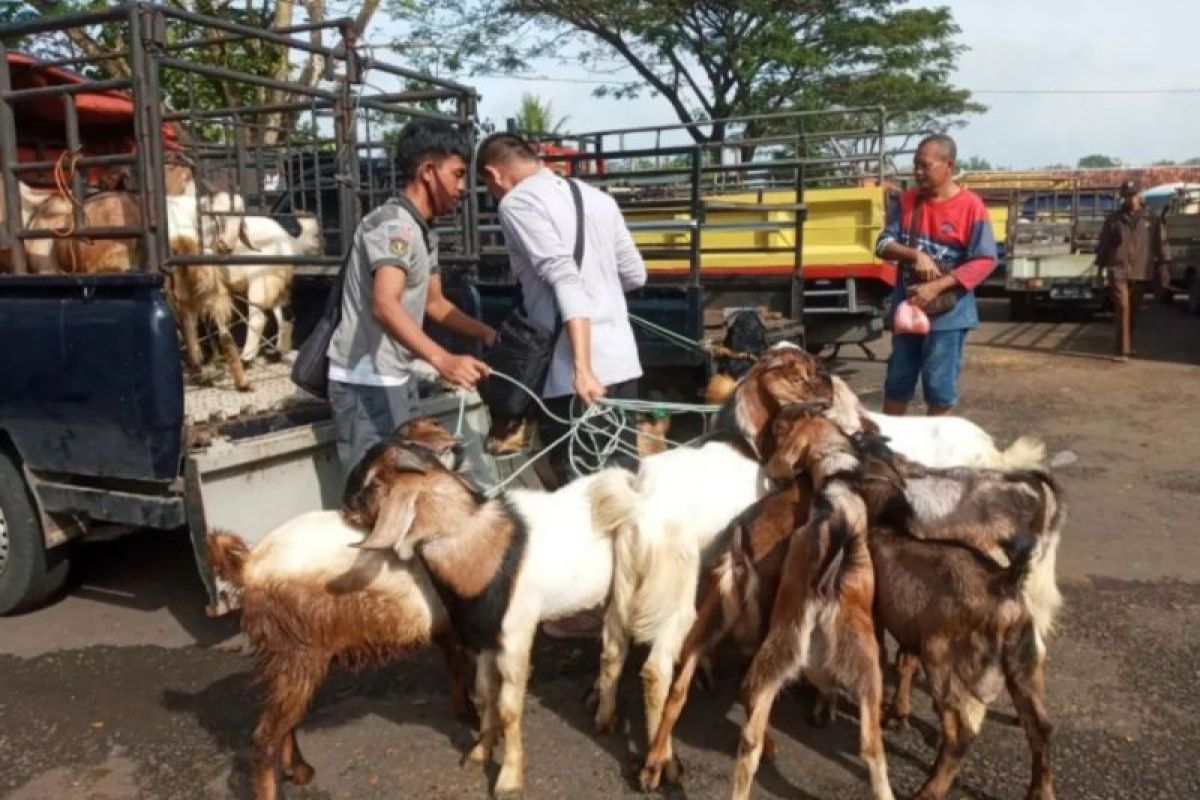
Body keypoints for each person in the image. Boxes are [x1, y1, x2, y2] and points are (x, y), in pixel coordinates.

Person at [476, 133, 647, 484]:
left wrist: (583, 367)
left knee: (582, 493)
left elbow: (565, 276)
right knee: (622, 484)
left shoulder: (516, 204)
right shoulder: (597, 198)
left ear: (494, 174)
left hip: (572, 375)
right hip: (621, 363)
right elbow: (635, 274)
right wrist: (601, 296)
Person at [327, 120, 496, 474]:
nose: (463, 187)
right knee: (377, 495)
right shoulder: (394, 226)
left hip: (395, 376)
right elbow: (385, 304)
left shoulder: (421, 230)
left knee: (410, 487)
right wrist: (442, 359)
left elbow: (436, 304)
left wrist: (487, 334)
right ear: (428, 172)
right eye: (458, 174)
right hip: (367, 382)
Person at [875, 133, 998, 416]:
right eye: (916, 165)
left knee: (939, 387)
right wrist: (914, 255)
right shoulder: (906, 202)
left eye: (925, 166)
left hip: (949, 314)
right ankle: (888, 449)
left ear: (948, 165)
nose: (918, 172)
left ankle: (937, 455)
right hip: (909, 310)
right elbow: (882, 244)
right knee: (897, 381)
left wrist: (937, 286)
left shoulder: (971, 207)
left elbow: (985, 259)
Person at [1096, 180, 1167, 362]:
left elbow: (1161, 244)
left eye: (1134, 195)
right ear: (1123, 198)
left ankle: (1128, 345)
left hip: (1141, 271)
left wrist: (1164, 267)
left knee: (1133, 311)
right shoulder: (1113, 219)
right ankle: (1121, 351)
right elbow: (1104, 245)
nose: (1132, 199)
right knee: (1122, 307)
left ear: (1139, 196)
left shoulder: (1152, 219)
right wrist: (1100, 271)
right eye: (1128, 196)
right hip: (1118, 269)